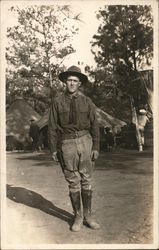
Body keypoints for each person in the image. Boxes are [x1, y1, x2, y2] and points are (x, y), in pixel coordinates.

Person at [48, 65, 100, 232]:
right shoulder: (57, 102)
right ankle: (77, 216)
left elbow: (95, 126)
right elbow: (52, 127)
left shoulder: (87, 102)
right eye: (69, 80)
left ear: (80, 84)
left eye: (75, 81)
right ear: (65, 82)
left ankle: (89, 216)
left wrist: (96, 147)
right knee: (73, 181)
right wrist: (53, 149)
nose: (72, 83)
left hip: (86, 141)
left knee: (87, 179)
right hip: (67, 144)